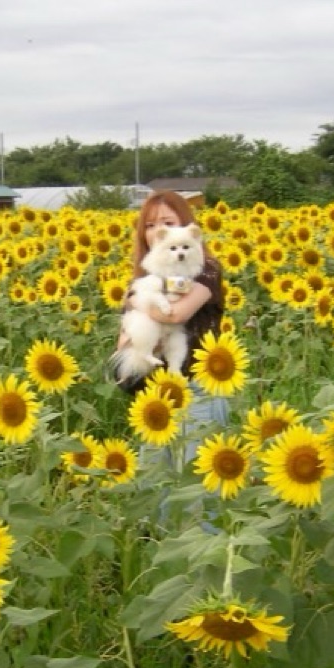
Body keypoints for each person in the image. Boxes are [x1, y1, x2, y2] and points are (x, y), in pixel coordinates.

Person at [117, 190, 228, 465]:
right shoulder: (144, 279)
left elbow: (177, 314)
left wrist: (136, 300)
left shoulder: (205, 270)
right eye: (150, 226)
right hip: (154, 394)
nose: (157, 232)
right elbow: (122, 344)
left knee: (197, 494)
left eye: (166, 223)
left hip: (197, 389)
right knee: (155, 490)